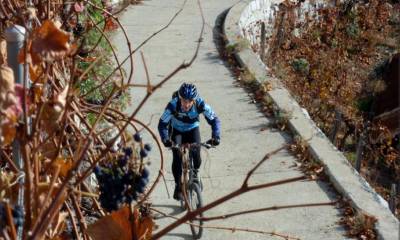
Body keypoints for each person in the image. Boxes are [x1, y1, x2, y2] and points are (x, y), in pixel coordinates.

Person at [158, 83, 221, 200]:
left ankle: (195, 173)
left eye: (189, 101)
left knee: (196, 154)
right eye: (183, 100)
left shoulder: (200, 104)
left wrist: (216, 137)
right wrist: (165, 139)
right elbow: (162, 124)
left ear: (194, 100)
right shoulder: (173, 105)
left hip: (192, 129)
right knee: (177, 156)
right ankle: (178, 185)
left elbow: (215, 120)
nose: (186, 104)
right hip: (176, 131)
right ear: (179, 98)